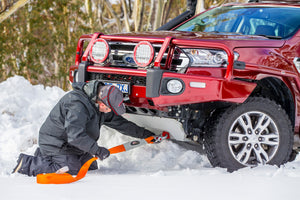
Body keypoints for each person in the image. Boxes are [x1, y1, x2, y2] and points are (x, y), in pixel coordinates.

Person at [12, 80, 161, 176]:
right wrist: (96, 150)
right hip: (56, 143)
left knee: (91, 167)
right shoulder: (77, 105)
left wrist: (145, 135)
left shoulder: (99, 106)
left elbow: (120, 123)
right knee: (71, 169)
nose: (110, 112)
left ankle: (47, 157)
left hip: (72, 145)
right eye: (110, 109)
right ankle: (27, 163)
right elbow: (75, 136)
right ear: (102, 102)